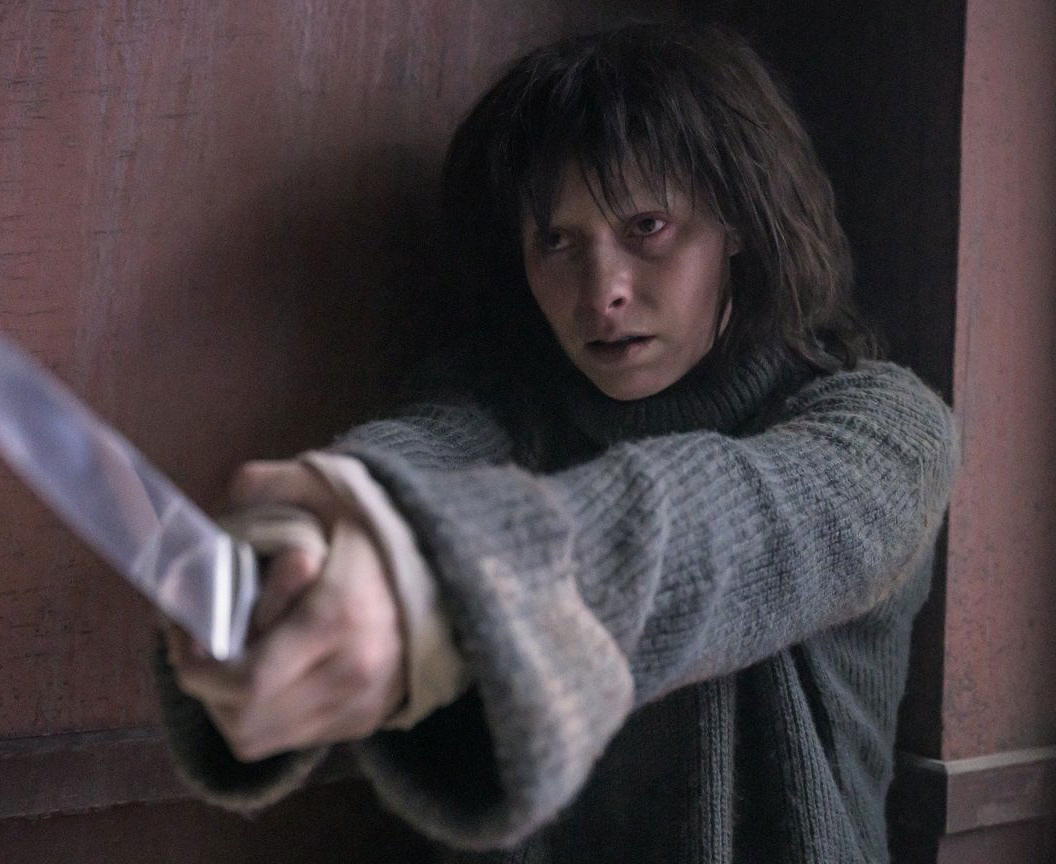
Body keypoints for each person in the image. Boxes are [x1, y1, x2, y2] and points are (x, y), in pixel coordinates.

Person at [159, 20, 959, 863]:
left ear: (738, 225)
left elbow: (728, 521)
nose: (601, 290)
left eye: (647, 226)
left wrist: (427, 576)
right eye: (556, 241)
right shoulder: (504, 406)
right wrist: (304, 547)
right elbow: (411, 456)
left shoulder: (885, 431)